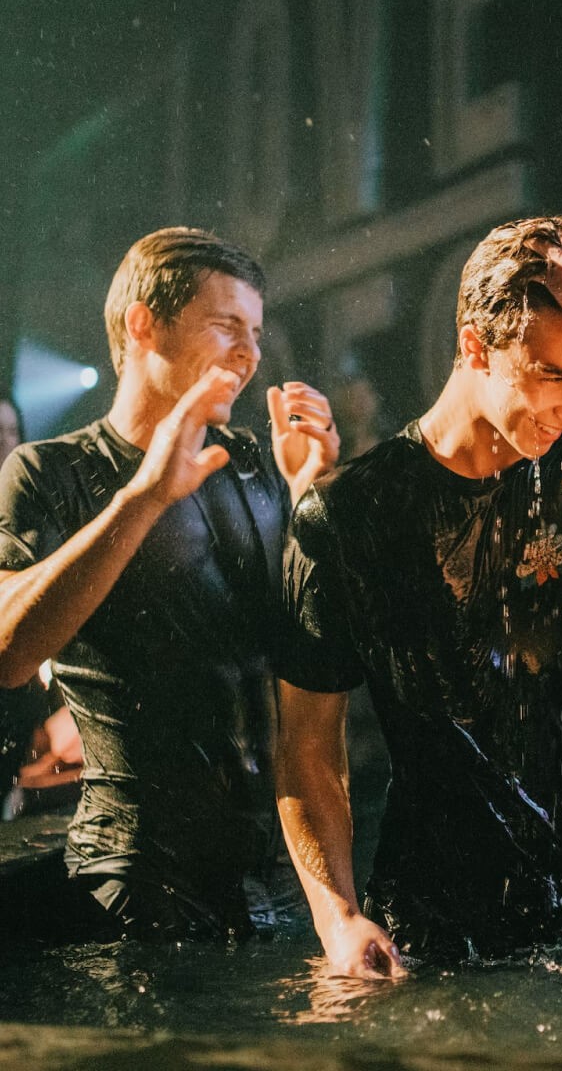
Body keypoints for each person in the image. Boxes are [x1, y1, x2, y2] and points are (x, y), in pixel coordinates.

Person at [275, 216, 562, 977]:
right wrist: (337, 918)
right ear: (473, 346)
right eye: (554, 376)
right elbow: (305, 743)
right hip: (439, 923)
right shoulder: (350, 514)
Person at [0, 227, 339, 940]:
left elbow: (296, 651)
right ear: (142, 323)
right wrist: (145, 495)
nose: (248, 353)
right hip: (133, 878)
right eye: (225, 327)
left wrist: (309, 495)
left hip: (273, 872)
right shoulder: (48, 472)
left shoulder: (248, 464)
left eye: (255, 331)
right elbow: (7, 651)